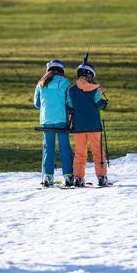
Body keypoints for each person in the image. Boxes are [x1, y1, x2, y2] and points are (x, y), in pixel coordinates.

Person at [67, 61, 110, 187]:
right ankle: (102, 177)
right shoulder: (96, 89)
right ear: (90, 74)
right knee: (98, 152)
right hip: (94, 126)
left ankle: (78, 178)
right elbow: (100, 104)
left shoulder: (71, 89)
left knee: (80, 153)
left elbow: (69, 106)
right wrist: (104, 101)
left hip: (78, 127)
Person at [34, 59, 74, 187]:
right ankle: (68, 176)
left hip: (46, 120)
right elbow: (70, 103)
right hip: (61, 119)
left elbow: (36, 104)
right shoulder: (65, 82)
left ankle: (48, 177)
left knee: (48, 148)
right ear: (61, 70)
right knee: (65, 147)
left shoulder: (41, 82)